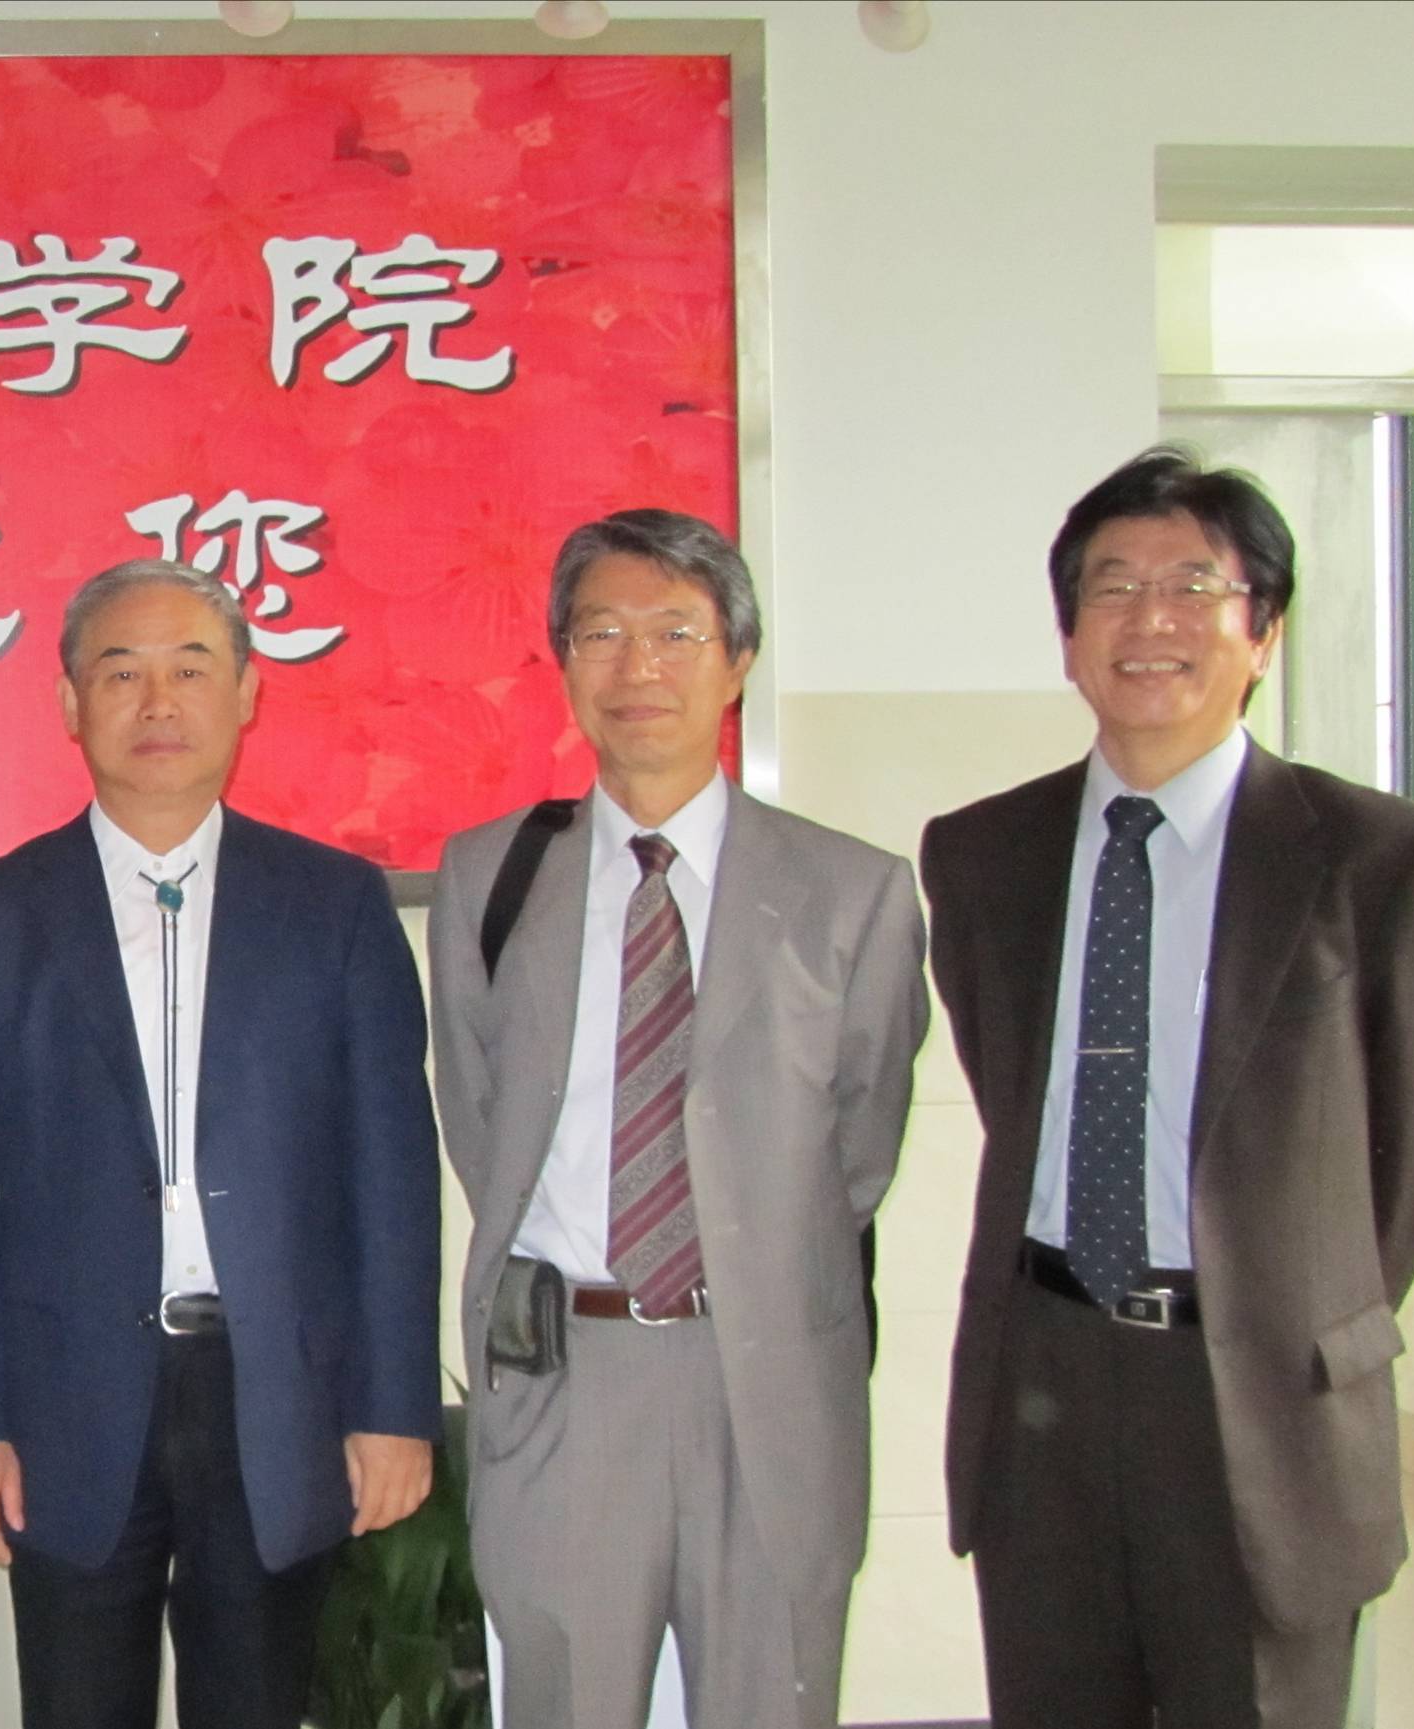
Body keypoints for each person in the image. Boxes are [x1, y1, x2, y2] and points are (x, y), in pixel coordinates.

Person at [925, 447, 1414, 1728]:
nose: (1152, 619)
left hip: (1260, 1393)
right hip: (1044, 1377)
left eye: (1196, 586)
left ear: (1264, 631)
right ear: (1069, 634)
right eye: (1114, 586)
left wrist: (1292, 1292)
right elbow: (1009, 1083)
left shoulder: (1378, 859)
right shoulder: (983, 853)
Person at [0, 559, 440, 1729]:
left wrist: (395, 1403)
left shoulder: (337, 904)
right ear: (70, 703)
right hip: (64, 1402)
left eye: (191, 669)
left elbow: (392, 1177)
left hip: (276, 1390)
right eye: (121, 671)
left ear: (245, 693)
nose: (157, 701)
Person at [426, 512, 926, 1727]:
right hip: (567, 1371)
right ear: (564, 660)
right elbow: (480, 1117)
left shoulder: (852, 891)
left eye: (675, 632)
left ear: (737, 658)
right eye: (602, 632)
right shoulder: (491, 876)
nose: (636, 665)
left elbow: (861, 1145)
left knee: (769, 1698)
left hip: (768, 1374)